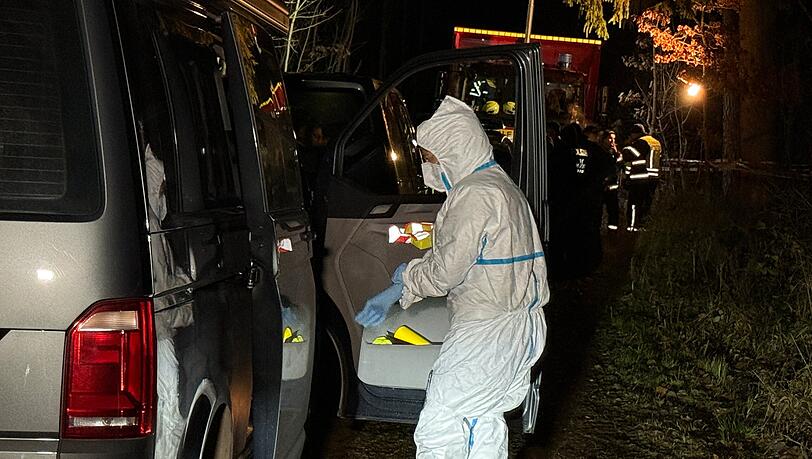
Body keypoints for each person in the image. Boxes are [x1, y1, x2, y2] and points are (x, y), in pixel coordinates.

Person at [354, 96, 549, 457]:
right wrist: (405, 284)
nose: (429, 166)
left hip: (486, 333)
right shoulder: (502, 188)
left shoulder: (475, 194)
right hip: (516, 328)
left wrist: (403, 282)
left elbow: (445, 271)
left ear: (454, 150)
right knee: (481, 419)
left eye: (430, 158)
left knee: (442, 425)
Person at [621, 123, 662, 231]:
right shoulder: (655, 142)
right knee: (646, 203)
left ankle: (633, 227)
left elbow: (628, 155)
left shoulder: (641, 143)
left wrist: (627, 146)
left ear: (635, 134)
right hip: (654, 178)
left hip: (640, 178)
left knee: (634, 203)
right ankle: (644, 226)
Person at [598, 129, 623, 231]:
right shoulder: (599, 152)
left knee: (613, 211)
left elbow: (619, 165)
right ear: (603, 139)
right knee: (598, 211)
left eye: (614, 139)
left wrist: (617, 154)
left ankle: (612, 232)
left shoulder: (613, 153)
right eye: (610, 139)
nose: (612, 142)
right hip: (600, 187)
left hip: (612, 188)